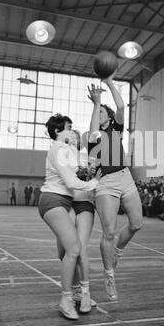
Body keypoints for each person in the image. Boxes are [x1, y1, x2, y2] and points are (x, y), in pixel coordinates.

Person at [38, 114, 100, 320]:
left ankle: (75, 293)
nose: (73, 131)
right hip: (53, 200)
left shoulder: (68, 150)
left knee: (66, 250)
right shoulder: (58, 148)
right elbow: (71, 181)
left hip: (65, 202)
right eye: (68, 127)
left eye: (74, 128)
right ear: (57, 132)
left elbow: (83, 166)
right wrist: (94, 183)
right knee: (74, 249)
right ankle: (65, 299)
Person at [88, 75, 142, 302]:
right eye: (96, 111)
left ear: (109, 118)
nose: (97, 113)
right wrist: (97, 103)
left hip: (126, 178)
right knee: (109, 232)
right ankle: (109, 275)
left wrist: (109, 81)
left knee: (136, 224)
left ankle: (117, 251)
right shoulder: (95, 135)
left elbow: (121, 105)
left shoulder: (117, 129)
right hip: (106, 183)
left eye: (101, 112)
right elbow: (92, 130)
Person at [68, 129, 97, 312]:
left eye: (75, 137)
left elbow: (98, 178)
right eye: (69, 137)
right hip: (66, 204)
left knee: (81, 250)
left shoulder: (88, 157)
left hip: (85, 204)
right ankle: (74, 290)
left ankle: (85, 293)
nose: (72, 139)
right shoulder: (59, 158)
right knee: (66, 252)